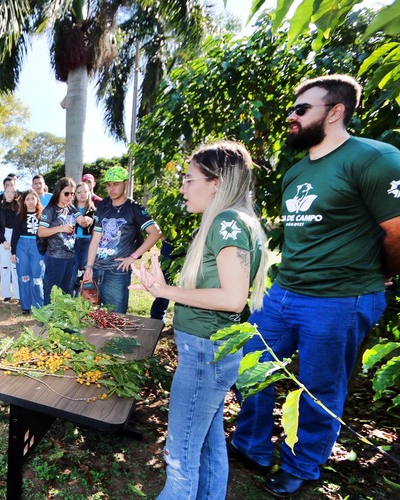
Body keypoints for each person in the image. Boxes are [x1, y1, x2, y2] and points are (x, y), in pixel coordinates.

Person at [229, 75, 400, 497]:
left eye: (302, 109)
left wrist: (381, 274)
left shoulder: (375, 159)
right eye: (294, 107)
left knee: (321, 385)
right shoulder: (296, 172)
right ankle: (250, 446)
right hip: (285, 292)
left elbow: (396, 232)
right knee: (251, 365)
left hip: (341, 298)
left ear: (336, 111)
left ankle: (302, 465)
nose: (292, 115)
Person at [132, 141, 267, 499]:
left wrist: (166, 291)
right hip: (212, 351)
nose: (183, 188)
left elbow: (232, 298)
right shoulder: (232, 220)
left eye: (189, 179)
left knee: (180, 458)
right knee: (209, 446)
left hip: (206, 354)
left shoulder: (227, 223)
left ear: (216, 182)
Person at [83, 166, 162, 314]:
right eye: (108, 184)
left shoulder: (134, 208)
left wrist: (133, 257)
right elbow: (95, 239)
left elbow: (155, 233)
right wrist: (89, 266)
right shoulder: (103, 205)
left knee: (116, 317)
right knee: (93, 317)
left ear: (126, 184)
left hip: (117, 272)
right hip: (97, 269)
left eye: (116, 184)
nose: (111, 188)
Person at [38, 177, 81, 304]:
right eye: (66, 193)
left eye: (72, 194)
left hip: (70, 257)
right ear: (58, 192)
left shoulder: (71, 208)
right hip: (55, 257)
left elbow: (82, 223)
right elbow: (41, 232)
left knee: (66, 292)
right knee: (52, 291)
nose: (70, 196)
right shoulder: (50, 210)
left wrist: (88, 220)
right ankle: (46, 320)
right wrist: (60, 228)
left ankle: (61, 321)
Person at [11, 189, 45, 315]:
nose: (31, 202)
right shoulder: (19, 216)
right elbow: (14, 235)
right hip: (22, 246)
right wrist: (13, 252)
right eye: (28, 199)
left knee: (37, 277)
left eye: (33, 198)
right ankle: (25, 306)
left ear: (37, 199)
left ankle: (38, 306)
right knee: (24, 276)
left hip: (38, 247)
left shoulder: (44, 215)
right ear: (24, 202)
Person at [0, 184, 20, 303]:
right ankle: (6, 294)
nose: (9, 194)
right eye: (7, 191)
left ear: (15, 194)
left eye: (12, 192)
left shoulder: (19, 208)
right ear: (4, 193)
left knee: (15, 266)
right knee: (4, 266)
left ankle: (18, 294)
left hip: (16, 237)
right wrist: (3, 240)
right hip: (2, 237)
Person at [70, 181, 96, 295]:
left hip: (87, 242)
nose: (82, 194)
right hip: (73, 242)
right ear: (75, 194)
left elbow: (86, 223)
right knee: (73, 271)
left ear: (89, 192)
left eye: (85, 191)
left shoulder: (93, 210)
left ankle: (85, 296)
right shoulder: (70, 209)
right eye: (78, 192)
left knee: (85, 270)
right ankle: (71, 295)